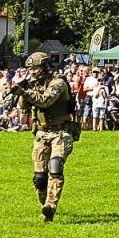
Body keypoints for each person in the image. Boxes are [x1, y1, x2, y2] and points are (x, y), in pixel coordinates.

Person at [10, 52, 76, 222]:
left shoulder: (58, 83)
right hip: (41, 133)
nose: (32, 72)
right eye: (29, 69)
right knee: (39, 178)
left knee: (55, 166)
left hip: (61, 133)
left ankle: (51, 205)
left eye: (36, 68)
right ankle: (44, 204)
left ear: (46, 67)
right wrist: (21, 91)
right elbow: (23, 108)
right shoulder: (33, 85)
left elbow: (45, 101)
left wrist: (24, 92)